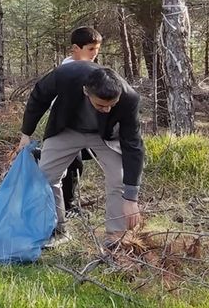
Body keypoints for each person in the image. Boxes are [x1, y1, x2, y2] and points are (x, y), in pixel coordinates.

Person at [18, 63, 143, 247]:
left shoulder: (129, 97)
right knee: (45, 176)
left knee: (119, 178)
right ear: (86, 91)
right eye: (101, 105)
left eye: (112, 105)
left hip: (105, 136)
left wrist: (131, 198)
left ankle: (115, 238)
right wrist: (26, 133)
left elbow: (133, 145)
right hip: (67, 128)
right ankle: (57, 230)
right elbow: (39, 96)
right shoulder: (66, 75)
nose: (107, 110)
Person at [59, 27, 103, 217]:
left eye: (97, 49)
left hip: (88, 128)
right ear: (76, 49)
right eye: (90, 49)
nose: (95, 54)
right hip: (65, 127)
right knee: (73, 163)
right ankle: (68, 205)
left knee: (90, 155)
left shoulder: (95, 71)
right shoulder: (65, 71)